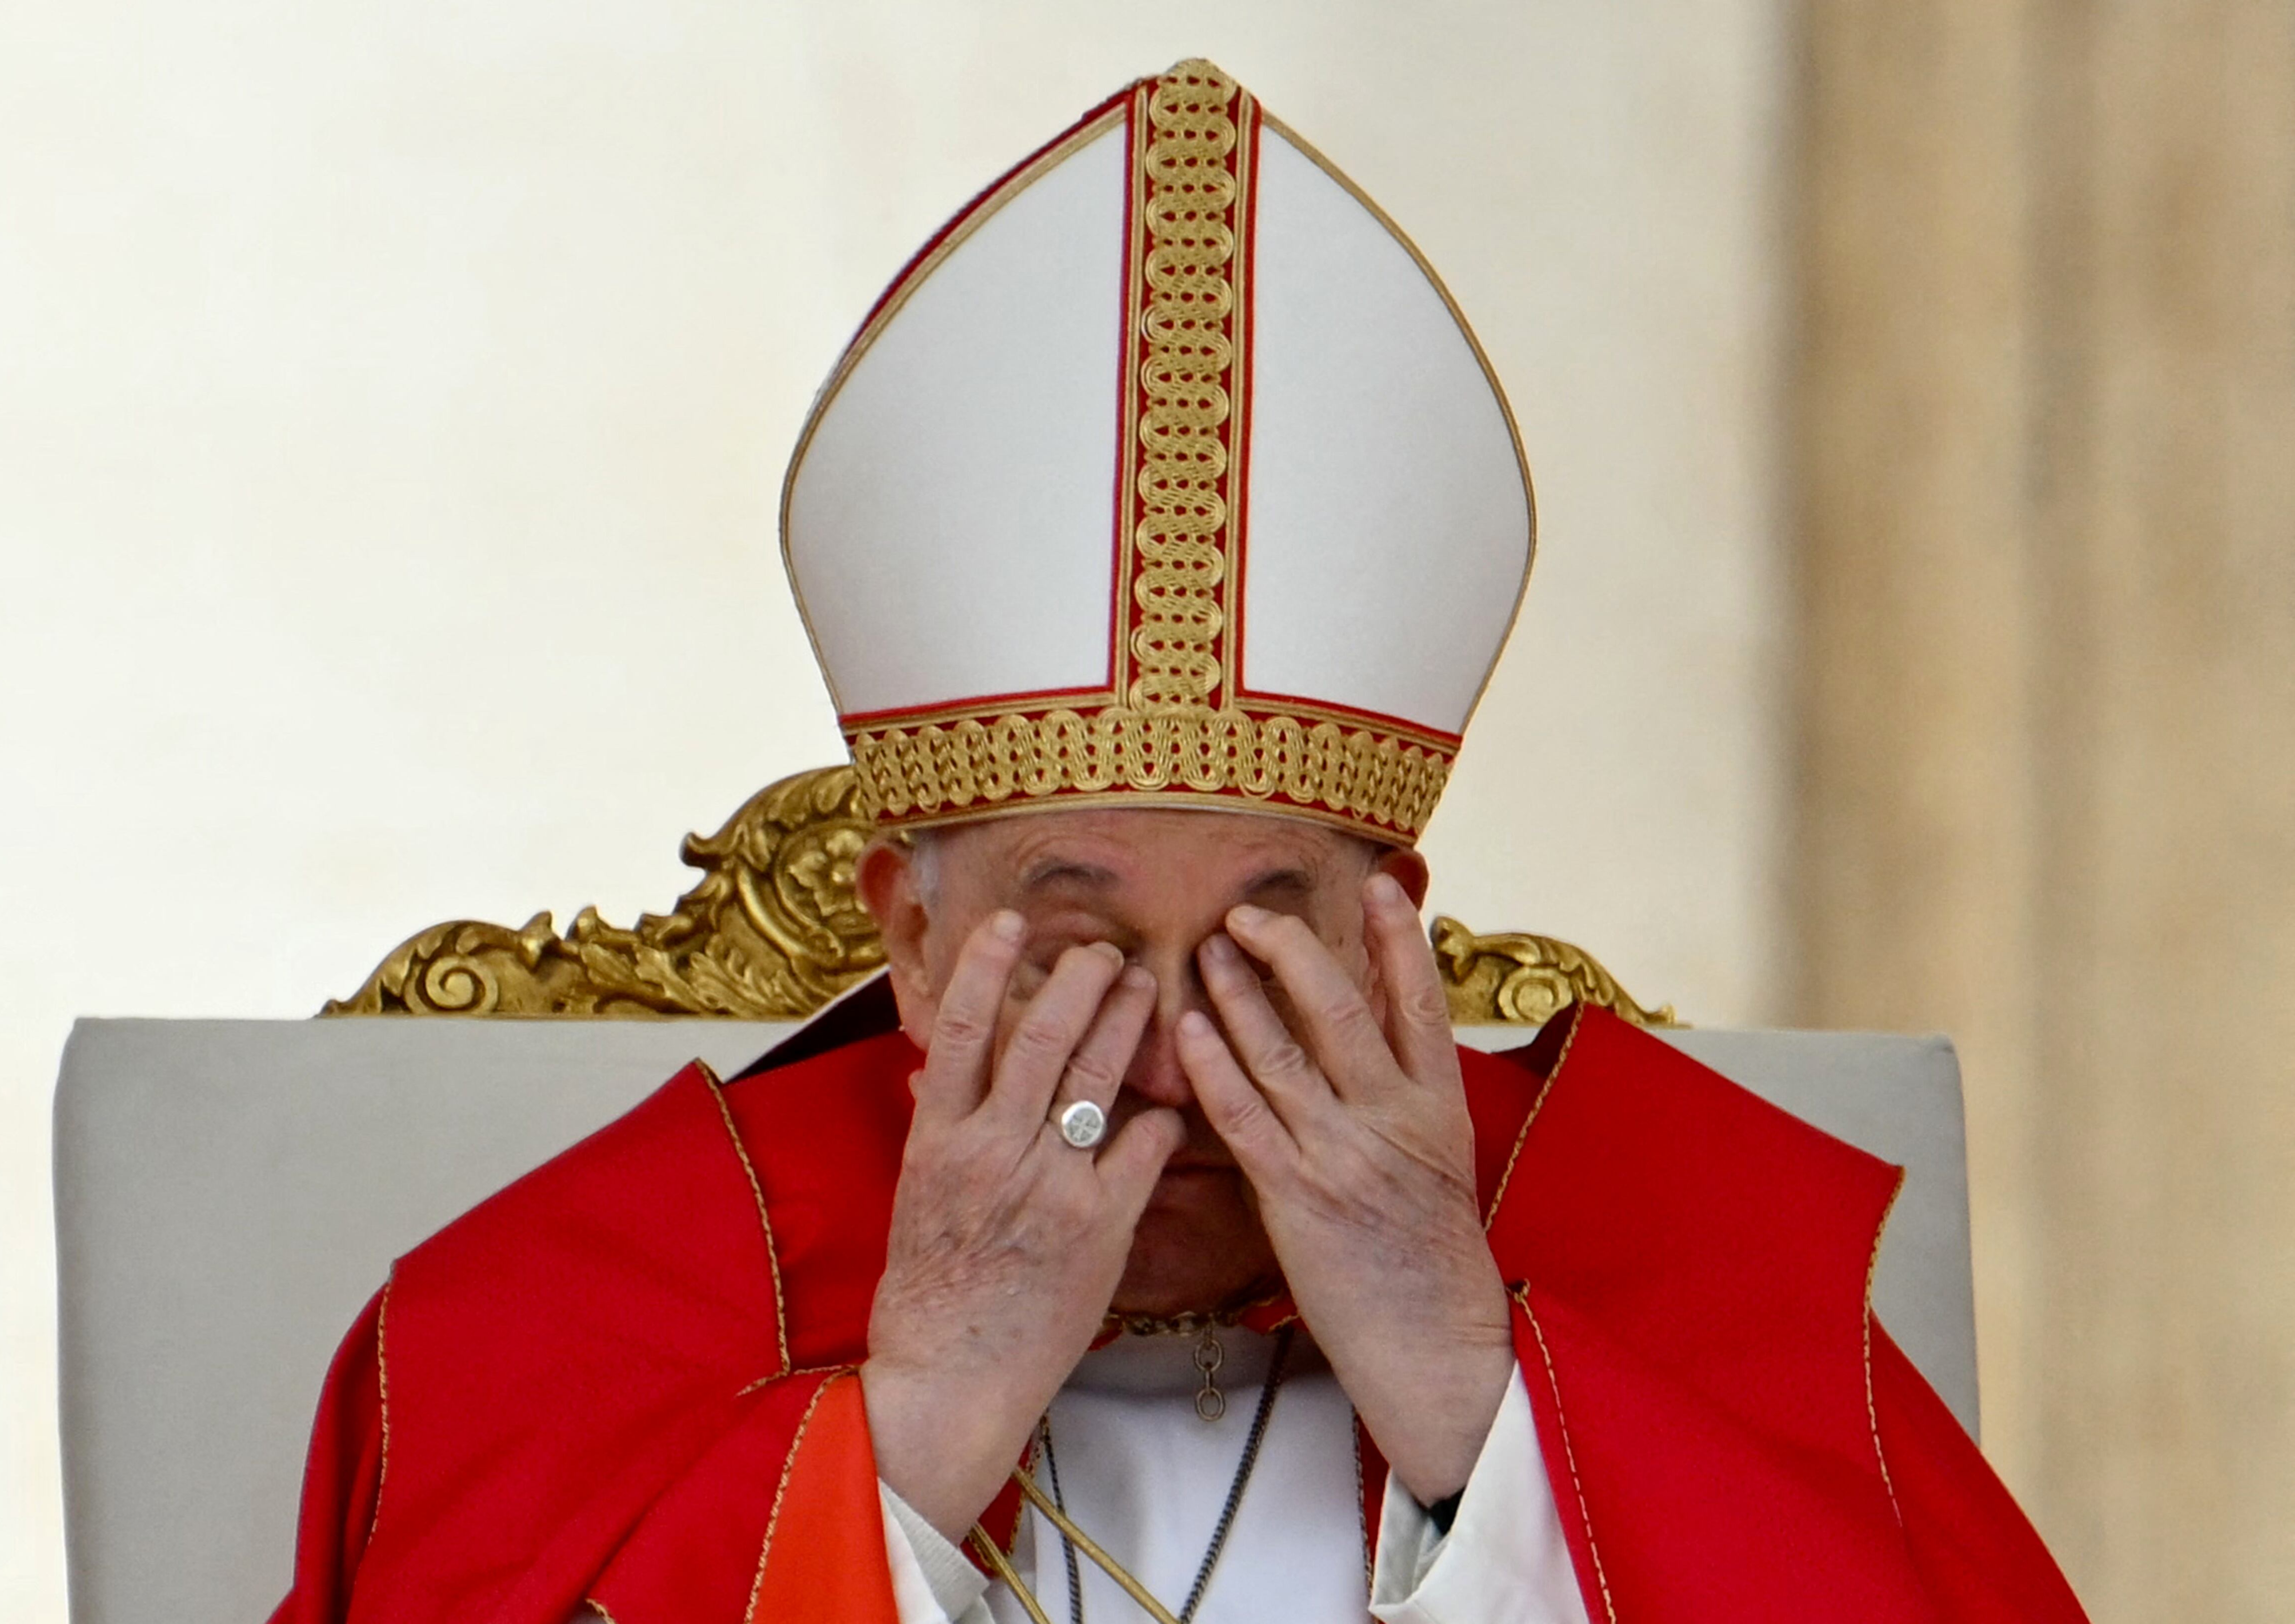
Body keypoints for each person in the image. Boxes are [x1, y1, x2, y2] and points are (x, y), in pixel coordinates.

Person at [271, 59, 2088, 1624]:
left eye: (1263, 941)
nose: (1166, 1056)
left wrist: (1482, 1403)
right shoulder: (567, 1317)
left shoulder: (1685, 1256)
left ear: (1398, 926)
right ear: (903, 929)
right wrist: (902, 1452)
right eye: (1073, 947)